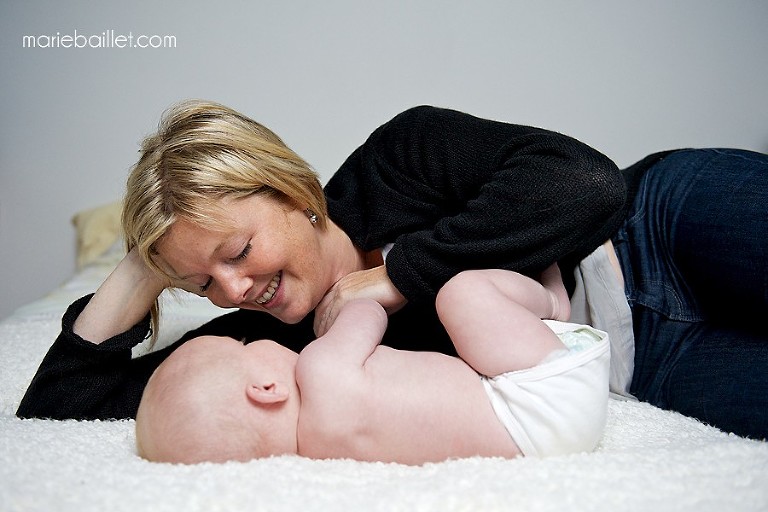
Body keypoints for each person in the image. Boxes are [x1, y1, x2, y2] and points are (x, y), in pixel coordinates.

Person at [16, 101, 767, 441]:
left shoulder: (398, 159)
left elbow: (587, 186)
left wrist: (397, 276)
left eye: (237, 253)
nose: (234, 290)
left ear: (290, 191)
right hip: (646, 362)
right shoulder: (265, 357)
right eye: (202, 284)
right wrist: (141, 268)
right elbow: (57, 414)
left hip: (656, 225)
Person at [135, 266, 610, 465]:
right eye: (243, 345)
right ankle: (550, 303)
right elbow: (369, 311)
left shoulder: (319, 455)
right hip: (541, 396)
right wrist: (335, 317)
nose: (254, 339)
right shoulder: (321, 369)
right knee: (461, 294)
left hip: (543, 446)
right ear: (265, 388)